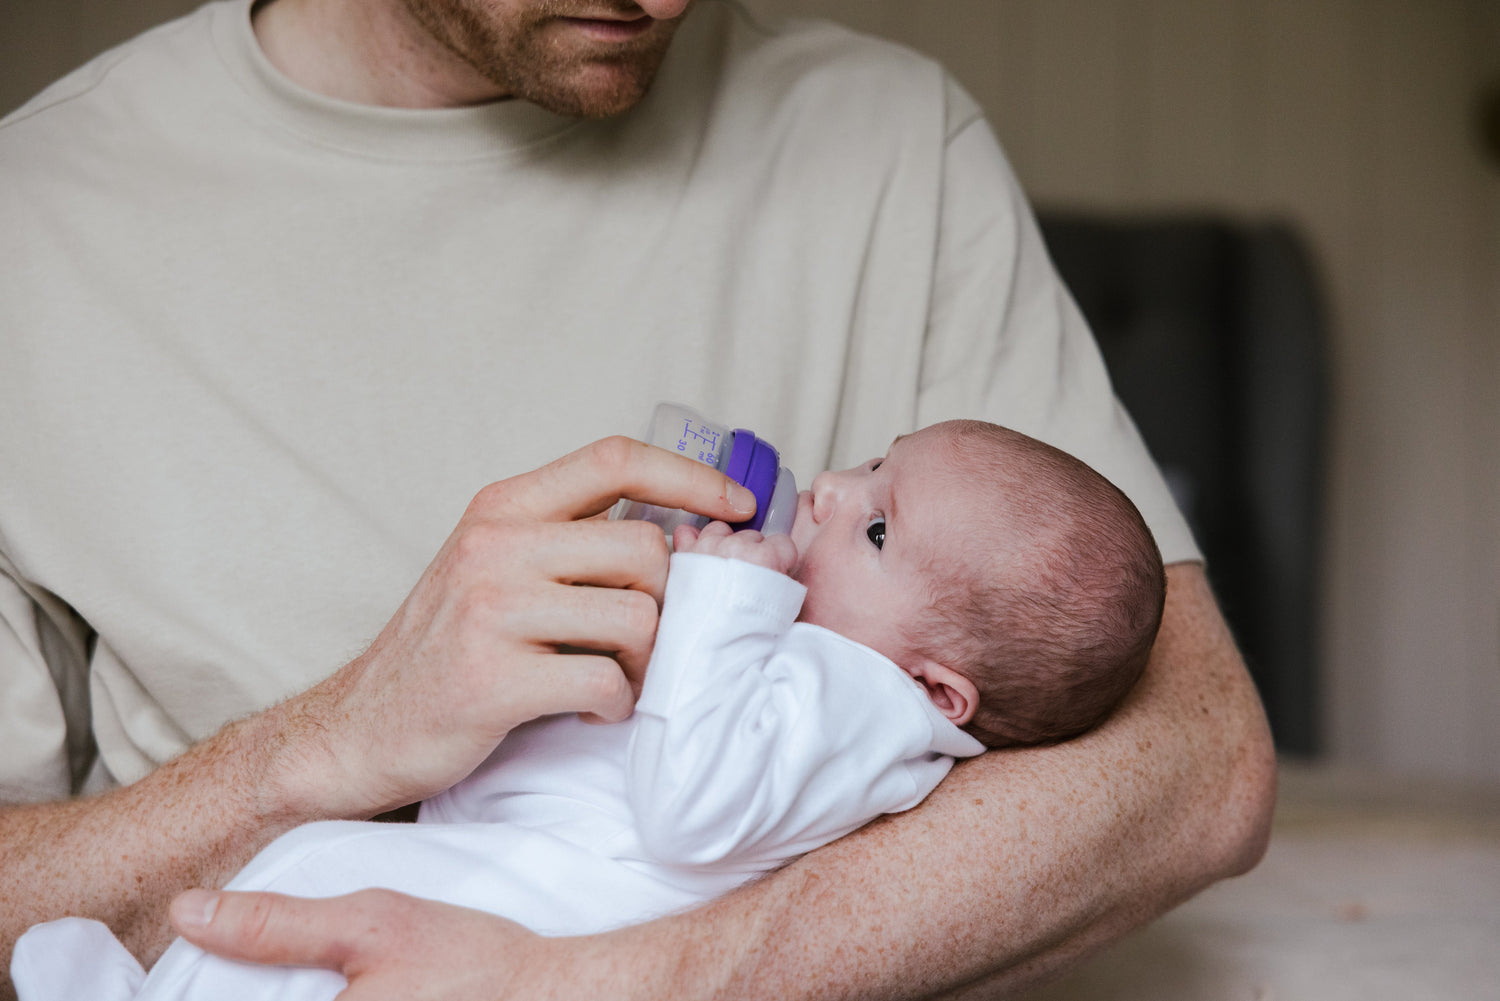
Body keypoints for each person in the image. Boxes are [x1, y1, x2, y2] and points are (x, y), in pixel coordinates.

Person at [0, 0, 1276, 998]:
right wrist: (322, 746)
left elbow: (1194, 754)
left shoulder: (889, 141)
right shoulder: (38, 221)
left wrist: (592, 984)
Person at [12, 420, 1166, 1001]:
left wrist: (729, 591)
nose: (832, 490)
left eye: (876, 527)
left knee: (319, 898)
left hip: (559, 908)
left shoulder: (869, 704)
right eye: (870, 464)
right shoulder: (814, 658)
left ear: (941, 686)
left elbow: (694, 807)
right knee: (310, 870)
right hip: (508, 850)